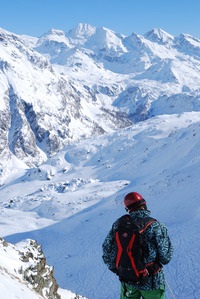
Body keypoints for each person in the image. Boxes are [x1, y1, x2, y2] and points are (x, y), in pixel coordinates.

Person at [102, 192, 173, 299]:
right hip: (152, 281)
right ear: (144, 205)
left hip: (128, 280)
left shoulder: (119, 224)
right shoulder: (155, 225)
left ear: (128, 209)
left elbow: (107, 250)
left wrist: (120, 270)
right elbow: (166, 258)